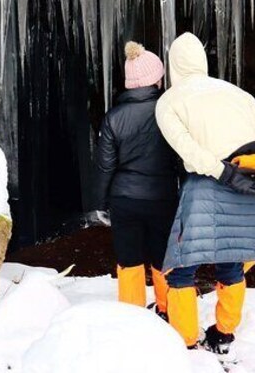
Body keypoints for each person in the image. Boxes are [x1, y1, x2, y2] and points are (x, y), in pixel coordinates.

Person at [155, 32, 255, 353]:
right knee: (232, 261)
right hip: (250, 182)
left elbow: (188, 150)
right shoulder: (237, 92)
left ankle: (185, 338)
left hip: (206, 186)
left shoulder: (169, 100)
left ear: (173, 66)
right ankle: (224, 332)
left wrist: (221, 170)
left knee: (182, 265)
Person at [93, 41, 179, 319]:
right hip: (162, 197)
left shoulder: (114, 117)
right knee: (163, 256)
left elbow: (106, 166)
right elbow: (182, 158)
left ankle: (133, 317)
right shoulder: (169, 112)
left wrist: (102, 203)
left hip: (124, 199)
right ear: (156, 79)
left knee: (129, 260)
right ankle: (168, 309)